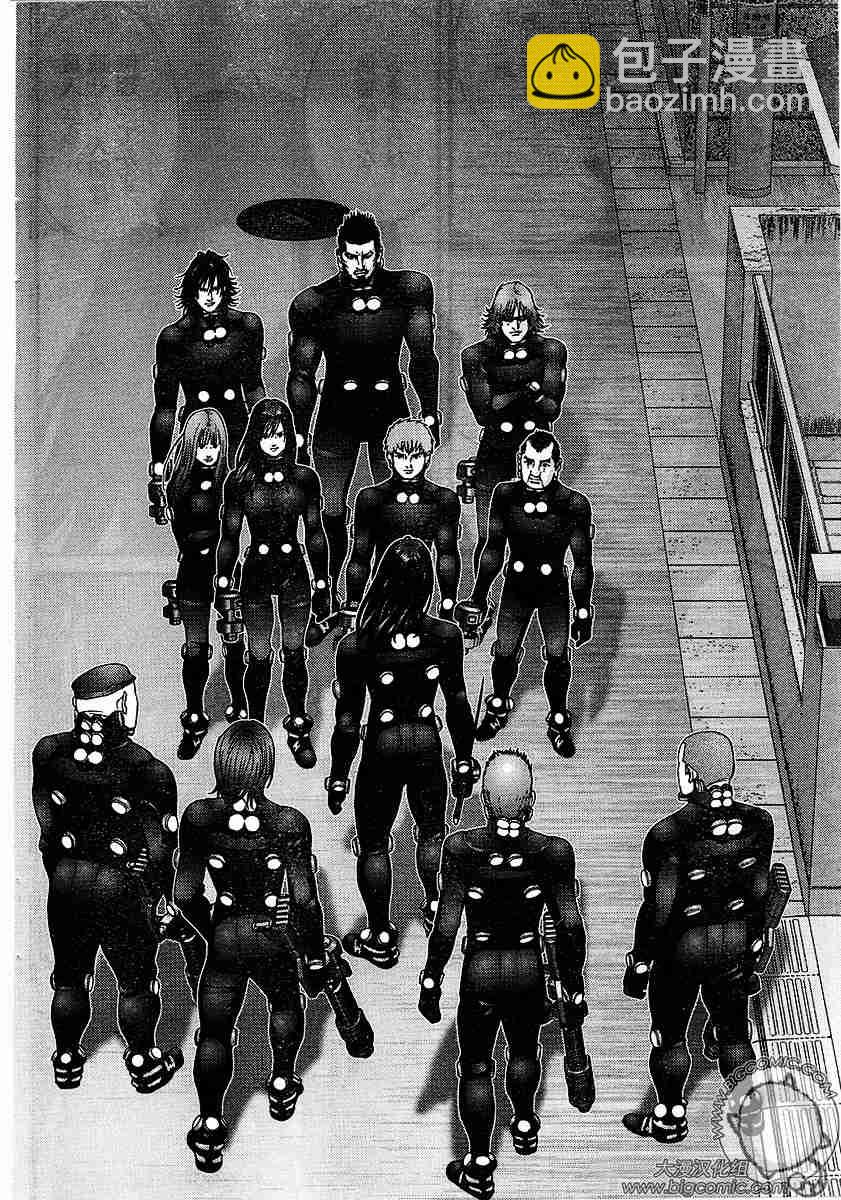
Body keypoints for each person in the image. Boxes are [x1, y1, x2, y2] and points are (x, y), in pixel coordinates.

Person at [418, 750, 589, 1200]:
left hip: (480, 969)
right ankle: (525, 1122)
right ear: (530, 799)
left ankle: (478, 1164)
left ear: (483, 800)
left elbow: (446, 924)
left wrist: (431, 980)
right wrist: (573, 985)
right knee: (525, 1049)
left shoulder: (461, 849)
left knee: (476, 1067)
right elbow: (571, 925)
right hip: (528, 968)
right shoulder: (553, 852)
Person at [174, 722, 328, 1172]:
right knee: (285, 1001)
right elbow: (305, 900)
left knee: (215, 1031)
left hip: (225, 933)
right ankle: (281, 1082)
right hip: (271, 935)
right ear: (267, 768)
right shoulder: (288, 823)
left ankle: (209, 1124)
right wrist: (313, 954)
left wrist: (211, 931)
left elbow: (184, 894)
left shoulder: (198, 817)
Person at [32, 664, 188, 1094]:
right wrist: (158, 903)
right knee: (136, 982)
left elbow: (48, 829)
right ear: (123, 705)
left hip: (65, 881)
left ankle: (66, 1058)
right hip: (121, 888)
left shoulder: (48, 753)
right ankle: (143, 1060)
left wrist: (62, 873)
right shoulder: (149, 771)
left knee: (69, 977)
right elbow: (161, 855)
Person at [326, 537, 478, 966]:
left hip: (383, 744)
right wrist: (463, 758)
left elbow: (347, 720)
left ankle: (380, 935)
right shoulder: (445, 636)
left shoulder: (357, 644)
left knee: (374, 843)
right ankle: (434, 906)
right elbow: (459, 702)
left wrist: (339, 775)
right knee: (431, 832)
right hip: (427, 740)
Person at [622, 731, 777, 1144]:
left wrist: (640, 961)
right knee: (735, 1032)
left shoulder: (667, 834)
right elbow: (759, 891)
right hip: (734, 944)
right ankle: (751, 1121)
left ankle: (669, 1117)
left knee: (669, 1036)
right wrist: (755, 940)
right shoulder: (760, 823)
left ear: (690, 775)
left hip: (682, 952)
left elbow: (659, 909)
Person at [287, 210, 441, 612]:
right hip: (337, 413)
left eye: (367, 255)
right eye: (352, 256)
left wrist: (429, 413)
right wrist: (299, 432)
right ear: (340, 256)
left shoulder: (408, 290)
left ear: (379, 253)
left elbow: (423, 356)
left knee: (394, 505)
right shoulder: (315, 304)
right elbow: (301, 374)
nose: (360, 264)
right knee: (330, 508)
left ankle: (396, 593)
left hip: (388, 412)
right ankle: (326, 588)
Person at [455, 430, 594, 757]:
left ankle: (558, 721)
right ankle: (498, 706)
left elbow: (582, 562)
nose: (535, 471)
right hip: (516, 586)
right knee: (504, 652)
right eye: (529, 462)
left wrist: (583, 610)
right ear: (519, 462)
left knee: (558, 657)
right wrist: (479, 594)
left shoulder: (573, 504)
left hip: (553, 590)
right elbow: (492, 549)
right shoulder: (504, 495)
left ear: (557, 466)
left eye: (543, 464)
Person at [215, 398, 330, 768]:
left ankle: (298, 727)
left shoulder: (304, 479)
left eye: (280, 434)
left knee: (295, 655)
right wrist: (223, 579)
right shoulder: (240, 481)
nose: (275, 441)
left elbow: (315, 532)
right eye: (267, 435)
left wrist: (323, 580)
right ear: (255, 438)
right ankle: (255, 730)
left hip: (294, 572)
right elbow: (229, 535)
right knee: (260, 656)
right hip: (257, 575)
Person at [460, 282, 567, 573]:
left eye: (522, 319)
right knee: (488, 537)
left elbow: (551, 409)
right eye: (508, 319)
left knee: (537, 539)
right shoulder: (476, 355)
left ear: (532, 319)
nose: (516, 326)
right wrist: (527, 390)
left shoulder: (551, 350)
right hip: (496, 450)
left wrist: (509, 396)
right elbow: (484, 413)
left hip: (536, 453)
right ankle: (480, 594)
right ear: (497, 320)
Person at [161, 408, 247, 758]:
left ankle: (239, 706)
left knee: (234, 638)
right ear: (191, 446)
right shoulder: (179, 484)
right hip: (194, 571)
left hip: (226, 568)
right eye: (202, 444)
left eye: (215, 444)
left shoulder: (233, 481)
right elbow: (180, 531)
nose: (209, 452)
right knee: (195, 647)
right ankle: (195, 718)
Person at [149, 249, 266, 493]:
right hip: (197, 432)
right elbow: (165, 406)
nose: (210, 297)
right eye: (203, 290)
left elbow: (254, 387)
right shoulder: (175, 337)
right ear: (193, 292)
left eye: (215, 289)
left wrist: (264, 434)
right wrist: (159, 466)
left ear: (224, 289)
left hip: (237, 427)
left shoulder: (246, 326)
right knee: (196, 502)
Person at [343, 417, 461, 620]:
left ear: (427, 457)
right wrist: (353, 604)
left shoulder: (443, 499)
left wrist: (447, 605)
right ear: (389, 457)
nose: (408, 463)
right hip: (381, 590)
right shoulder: (371, 498)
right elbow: (360, 556)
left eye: (415, 456)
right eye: (401, 456)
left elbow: (447, 557)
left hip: (421, 593)